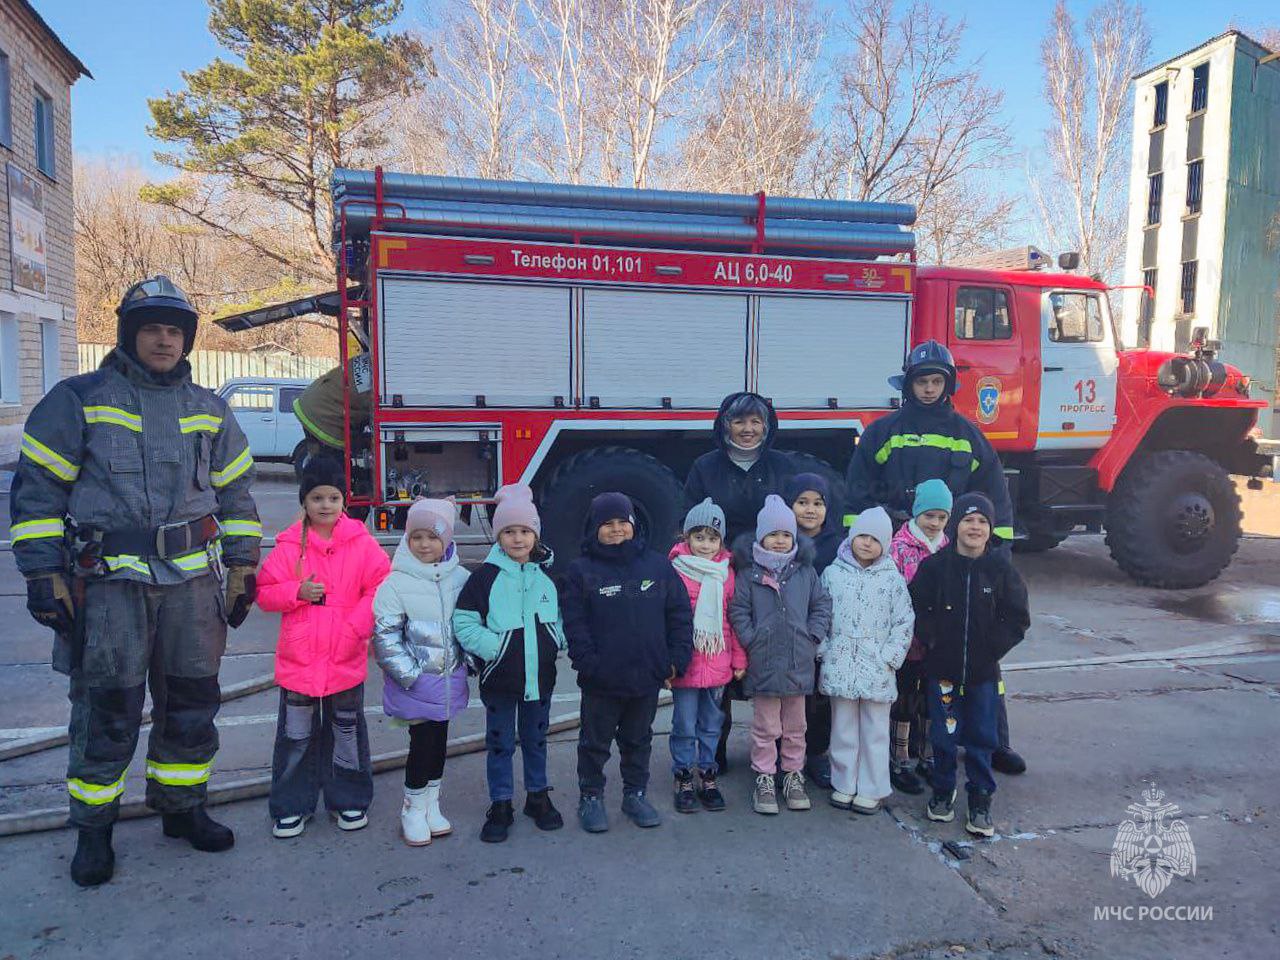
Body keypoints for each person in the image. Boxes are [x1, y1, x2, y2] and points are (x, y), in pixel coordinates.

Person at [11, 276, 261, 887]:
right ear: (129, 333)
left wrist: (245, 566)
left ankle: (182, 807)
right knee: (108, 708)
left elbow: (236, 494)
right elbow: (38, 494)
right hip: (108, 588)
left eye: (175, 330)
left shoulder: (209, 408)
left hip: (192, 588)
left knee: (192, 702)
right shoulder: (77, 399)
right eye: (152, 328)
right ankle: (94, 831)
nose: (164, 340)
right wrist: (43, 574)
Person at [844, 339, 1026, 776]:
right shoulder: (882, 432)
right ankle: (904, 746)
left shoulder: (968, 435)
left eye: (935, 381)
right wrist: (875, 534)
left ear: (948, 386)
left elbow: (992, 494)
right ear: (909, 384)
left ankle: (993, 742)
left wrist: (995, 549)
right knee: (905, 657)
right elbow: (858, 491)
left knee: (975, 650)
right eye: (921, 381)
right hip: (896, 556)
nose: (928, 389)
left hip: (957, 557)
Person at [257, 456, 390, 838]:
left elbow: (381, 586)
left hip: (344, 653)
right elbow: (264, 593)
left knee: (346, 731)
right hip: (300, 659)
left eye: (333, 497)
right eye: (317, 498)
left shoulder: (362, 544)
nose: (326, 506)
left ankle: (348, 798)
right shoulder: (288, 546)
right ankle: (291, 804)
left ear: (343, 501)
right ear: (304, 501)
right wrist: (295, 592)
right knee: (295, 735)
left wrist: (355, 626)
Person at [564, 493, 693, 833]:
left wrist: (676, 658)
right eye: (608, 524)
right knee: (594, 743)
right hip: (601, 681)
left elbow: (679, 613)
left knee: (638, 741)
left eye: (623, 523)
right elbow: (574, 624)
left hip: (646, 677)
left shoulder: (658, 566)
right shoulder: (581, 571)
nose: (617, 530)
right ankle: (590, 797)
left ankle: (635, 795)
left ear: (634, 526)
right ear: (594, 529)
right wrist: (589, 664)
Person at [685, 391, 798, 772]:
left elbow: (794, 523)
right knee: (720, 662)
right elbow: (691, 523)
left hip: (773, 575)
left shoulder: (783, 466)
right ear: (724, 425)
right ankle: (713, 748)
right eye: (739, 422)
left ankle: (784, 750)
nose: (748, 430)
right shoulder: (705, 467)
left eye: (756, 422)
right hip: (721, 574)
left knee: (771, 656)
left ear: (767, 426)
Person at [909, 493, 1030, 838]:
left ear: (989, 529)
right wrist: (933, 640)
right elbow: (918, 607)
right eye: (967, 520)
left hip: (982, 675)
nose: (974, 527)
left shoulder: (1000, 569)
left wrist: (992, 647)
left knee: (981, 736)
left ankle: (980, 796)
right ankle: (943, 790)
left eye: (982, 522)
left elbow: (1017, 617)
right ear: (955, 525)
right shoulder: (935, 567)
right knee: (944, 736)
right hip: (943, 673)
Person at [453, 484, 566, 843]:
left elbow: (560, 618)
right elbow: (465, 622)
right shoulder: (484, 578)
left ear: (535, 535)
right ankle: (500, 802)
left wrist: (557, 640)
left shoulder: (547, 578)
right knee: (500, 742)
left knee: (536, 739)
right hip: (500, 679)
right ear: (499, 535)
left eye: (524, 532)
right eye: (509, 532)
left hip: (540, 678)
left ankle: (537, 795)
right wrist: (496, 648)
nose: (517, 539)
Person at [372, 498, 470, 846]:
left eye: (432, 537)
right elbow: (385, 638)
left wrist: (468, 661)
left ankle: (432, 804)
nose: (424, 544)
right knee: (421, 744)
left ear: (447, 541)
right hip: (416, 684)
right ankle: (412, 809)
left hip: (449, 682)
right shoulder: (395, 584)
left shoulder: (460, 578)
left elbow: (468, 624)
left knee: (440, 742)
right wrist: (411, 676)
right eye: (417, 537)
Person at [729, 495, 832, 816]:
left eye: (786, 535)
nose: (779, 540)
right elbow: (739, 611)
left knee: (795, 727)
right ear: (761, 537)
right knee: (765, 727)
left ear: (794, 538)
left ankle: (792, 774)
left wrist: (812, 636)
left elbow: (822, 605)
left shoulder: (805, 572)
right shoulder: (749, 575)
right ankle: (764, 775)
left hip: (799, 663)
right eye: (773, 534)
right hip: (764, 664)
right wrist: (752, 639)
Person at [819, 507, 914, 815]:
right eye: (862, 536)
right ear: (852, 536)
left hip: (877, 668)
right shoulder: (833, 574)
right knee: (843, 729)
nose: (867, 544)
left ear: (884, 544)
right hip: (840, 663)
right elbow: (819, 613)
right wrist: (824, 648)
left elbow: (904, 621)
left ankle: (872, 787)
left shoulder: (892, 580)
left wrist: (891, 657)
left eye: (875, 539)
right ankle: (844, 782)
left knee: (875, 731)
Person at [667, 498, 745, 813]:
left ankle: (707, 773)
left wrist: (739, 659)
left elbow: (734, 620)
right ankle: (684, 775)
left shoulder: (727, 573)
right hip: (686, 663)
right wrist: (668, 660)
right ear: (686, 537)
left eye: (712, 538)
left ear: (721, 541)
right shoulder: (674, 569)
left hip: (718, 661)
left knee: (712, 723)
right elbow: (668, 620)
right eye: (698, 537)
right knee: (684, 724)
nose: (705, 544)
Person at [888, 479, 952, 795]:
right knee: (904, 697)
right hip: (908, 638)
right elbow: (895, 593)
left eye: (941, 518)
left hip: (936, 639)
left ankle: (926, 753)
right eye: (929, 516)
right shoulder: (900, 548)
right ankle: (899, 757)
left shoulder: (947, 546)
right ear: (917, 514)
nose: (935, 523)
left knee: (931, 698)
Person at [784, 472, 843, 788]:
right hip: (787, 633)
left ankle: (817, 753)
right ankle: (785, 752)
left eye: (818, 503)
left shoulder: (839, 544)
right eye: (802, 502)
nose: (810, 510)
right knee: (788, 696)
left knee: (820, 698)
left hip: (824, 634)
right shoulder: (780, 539)